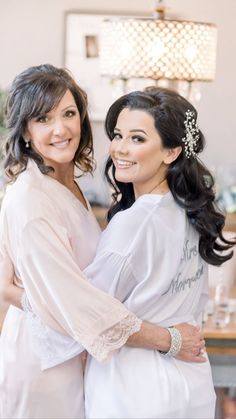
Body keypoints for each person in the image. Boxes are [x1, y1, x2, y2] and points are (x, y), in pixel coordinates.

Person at [0, 65, 205, 419]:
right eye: (43, 119)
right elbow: (72, 302)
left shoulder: (68, 182)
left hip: (86, 353)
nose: (61, 129)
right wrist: (169, 340)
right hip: (46, 361)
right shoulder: (31, 198)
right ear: (26, 132)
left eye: (68, 113)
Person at [80, 87, 235, 418]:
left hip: (134, 391)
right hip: (192, 386)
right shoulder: (192, 211)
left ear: (171, 151)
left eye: (137, 139)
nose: (120, 148)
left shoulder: (133, 224)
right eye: (118, 135)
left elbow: (89, 314)